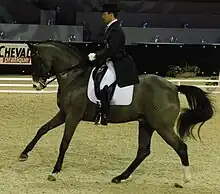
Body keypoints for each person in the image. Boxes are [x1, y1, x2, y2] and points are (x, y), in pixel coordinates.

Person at [88, 3, 139, 126]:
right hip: (111, 60)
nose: (102, 16)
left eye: (104, 14)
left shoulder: (116, 29)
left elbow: (112, 49)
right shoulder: (111, 27)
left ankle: (104, 114)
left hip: (119, 62)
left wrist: (97, 55)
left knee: (104, 84)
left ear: (111, 14)